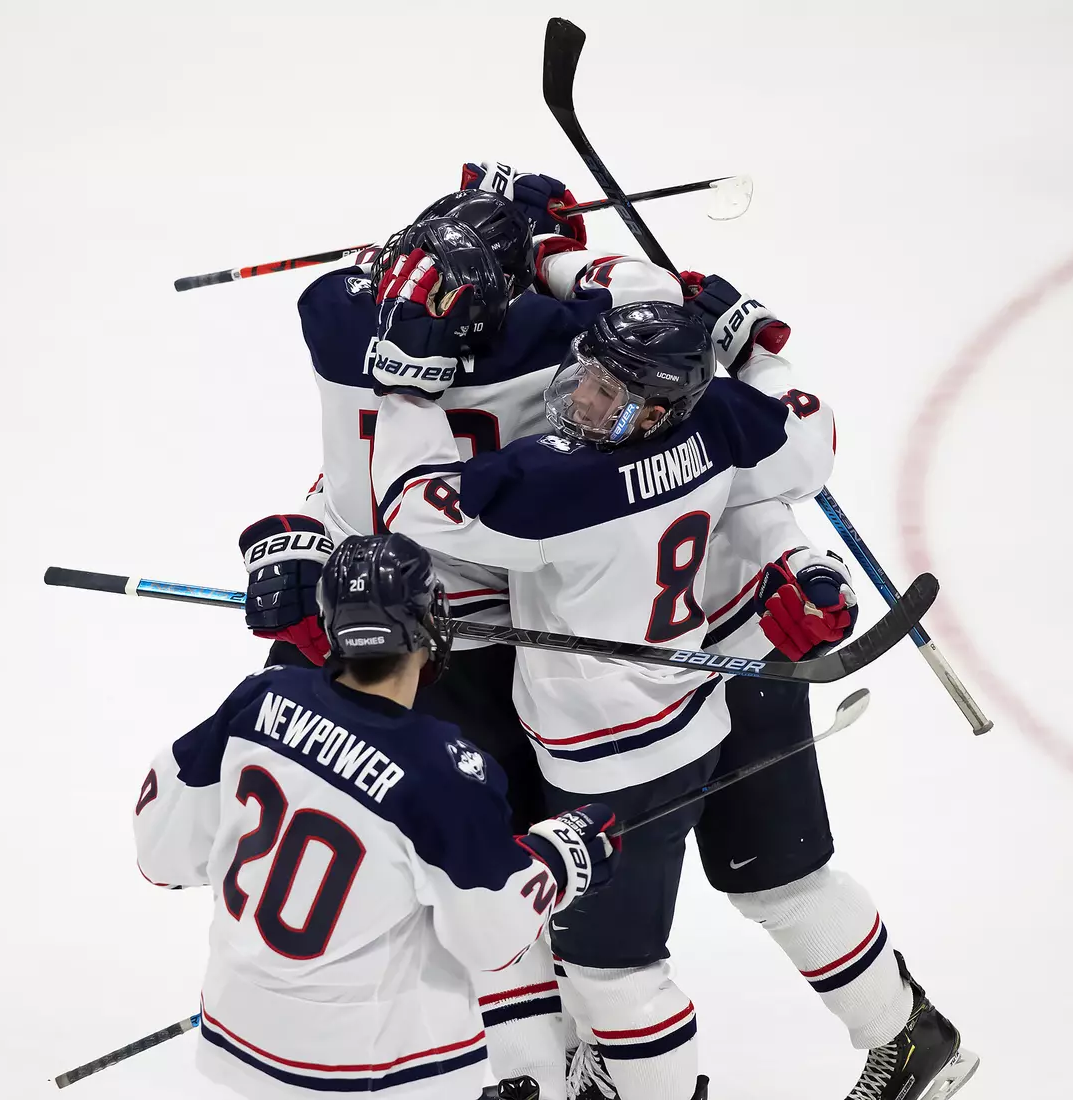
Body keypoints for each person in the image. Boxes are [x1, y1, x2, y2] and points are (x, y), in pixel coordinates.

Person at [370, 241, 976, 1100]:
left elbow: (409, 504)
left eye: (610, 393)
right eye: (588, 376)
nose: (583, 400)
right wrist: (757, 347)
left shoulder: (554, 484)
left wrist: (405, 385)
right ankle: (913, 1037)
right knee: (785, 884)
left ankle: (645, 1083)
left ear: (656, 408)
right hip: (736, 662)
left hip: (616, 747)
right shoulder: (721, 414)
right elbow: (809, 439)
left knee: (607, 965)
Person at [239, 167, 687, 1099]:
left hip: (424, 636)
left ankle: (522, 1062)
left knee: (454, 867)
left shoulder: (344, 314)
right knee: (468, 871)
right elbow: (653, 299)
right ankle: (523, 1060)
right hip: (436, 635)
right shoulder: (542, 333)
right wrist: (547, 244)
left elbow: (363, 475)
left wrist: (521, 242)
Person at [133, 532, 620, 1100]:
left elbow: (161, 856)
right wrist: (559, 858)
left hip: (236, 1033)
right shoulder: (445, 772)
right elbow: (493, 941)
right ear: (428, 625)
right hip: (375, 1073)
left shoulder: (258, 698)